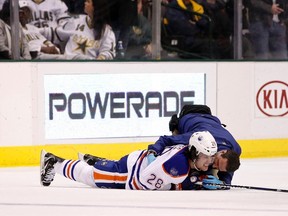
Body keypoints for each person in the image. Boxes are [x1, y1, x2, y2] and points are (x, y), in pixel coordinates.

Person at [41, 131, 217, 190]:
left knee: (105, 170)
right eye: (205, 156)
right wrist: (193, 182)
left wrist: (196, 180)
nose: (209, 161)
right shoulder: (178, 166)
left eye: (211, 157)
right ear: (194, 152)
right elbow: (141, 181)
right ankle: (54, 162)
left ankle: (101, 164)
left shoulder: (185, 151)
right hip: (129, 173)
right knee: (90, 177)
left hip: (136, 161)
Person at [146, 104, 241, 187]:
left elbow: (227, 173)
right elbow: (166, 140)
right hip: (188, 117)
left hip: (211, 120)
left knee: (207, 173)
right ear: (222, 152)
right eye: (217, 162)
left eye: (218, 168)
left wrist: (223, 184)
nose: (214, 166)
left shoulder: (235, 149)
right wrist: (152, 152)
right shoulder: (200, 138)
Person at [38, 0, 116, 60]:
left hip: (88, 68)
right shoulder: (77, 20)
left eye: (88, 1)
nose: (85, 2)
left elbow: (108, 52)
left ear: (95, 7)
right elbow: (56, 33)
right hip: (67, 64)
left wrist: (100, 59)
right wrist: (35, 32)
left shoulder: (107, 31)